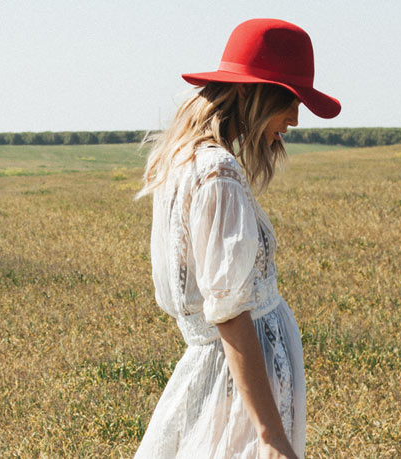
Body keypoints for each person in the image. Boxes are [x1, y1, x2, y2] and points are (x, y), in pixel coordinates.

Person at [134, 19, 341, 458]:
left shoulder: (188, 161)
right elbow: (228, 314)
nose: (295, 119)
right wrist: (270, 434)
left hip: (228, 384)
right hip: (237, 391)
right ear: (248, 92)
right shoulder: (218, 173)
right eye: (289, 99)